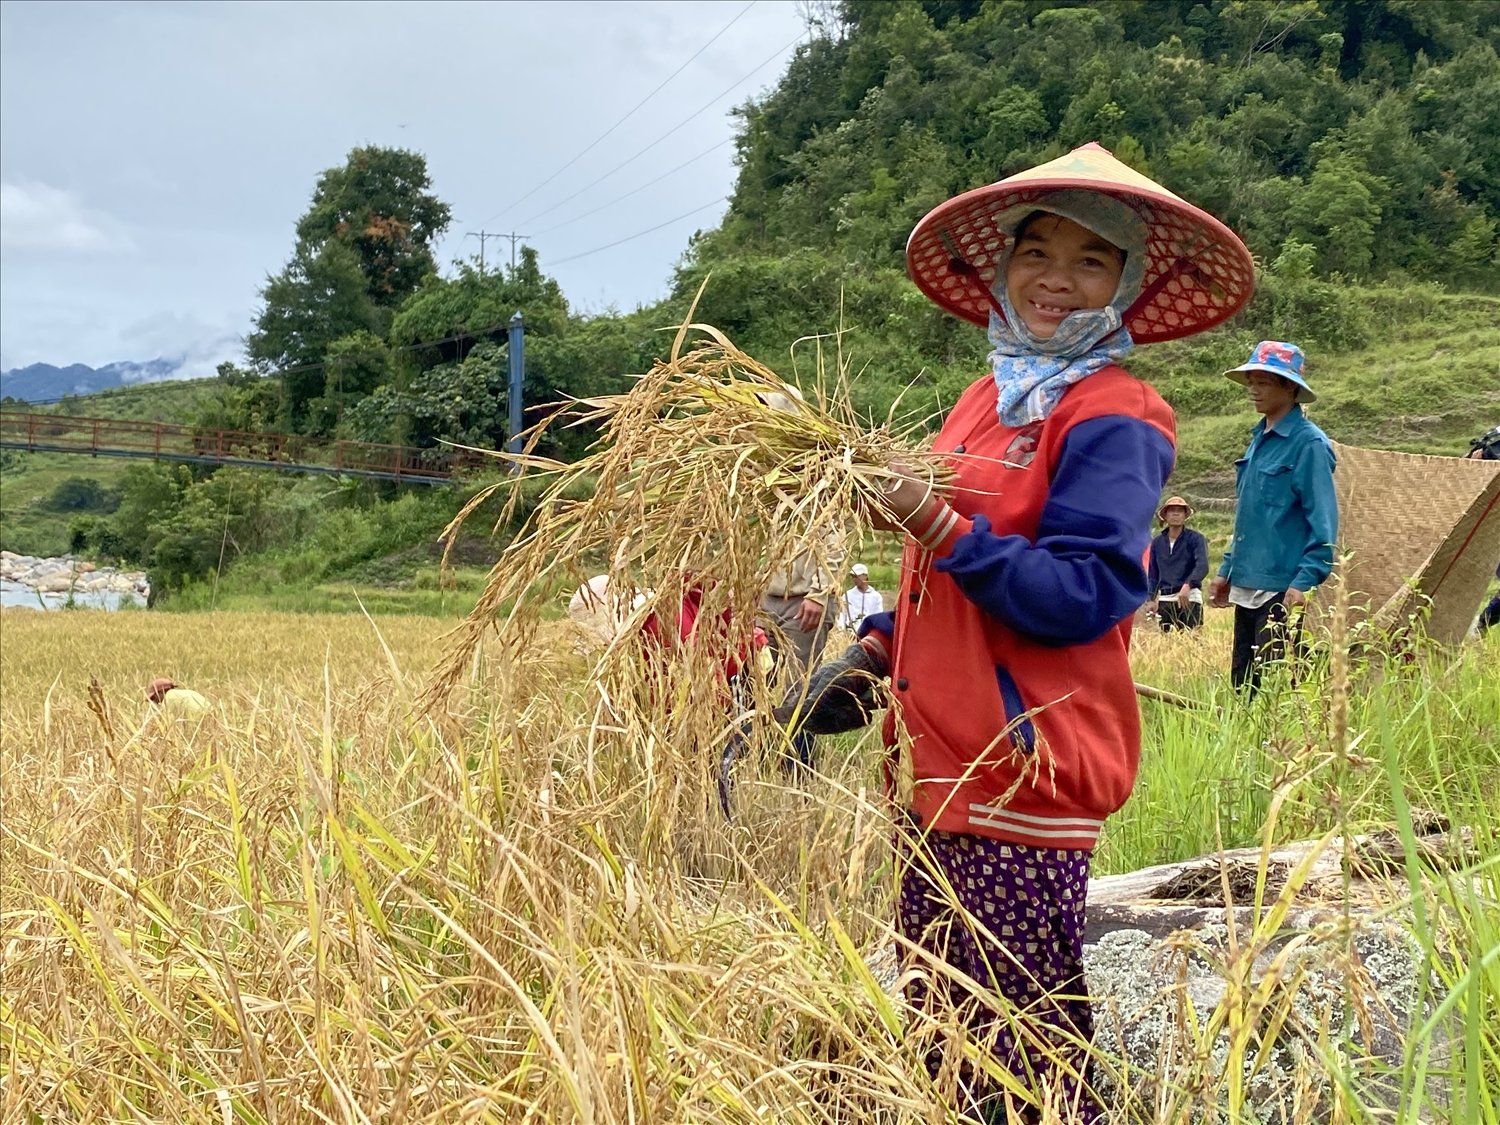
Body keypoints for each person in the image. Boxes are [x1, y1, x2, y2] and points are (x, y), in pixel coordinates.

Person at [772, 142, 1255, 1120]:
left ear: (1127, 285)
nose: (1056, 279)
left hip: (1021, 770)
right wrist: (871, 659)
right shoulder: (983, 400)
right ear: (1003, 266)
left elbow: (1083, 594)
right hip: (932, 760)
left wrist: (930, 516)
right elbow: (938, 579)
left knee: (1020, 1052)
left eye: (1091, 260)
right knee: (948, 1030)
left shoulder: (1118, 414)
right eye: (1038, 251)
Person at [1207, 342, 1338, 697]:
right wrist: (1226, 570)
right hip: (1247, 582)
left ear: (1290, 387)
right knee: (1243, 687)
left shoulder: (1308, 445)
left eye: (1264, 382)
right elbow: (1249, 518)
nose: (1253, 389)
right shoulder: (1258, 440)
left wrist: (1305, 580)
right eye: (1251, 380)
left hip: (1281, 588)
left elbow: (1323, 522)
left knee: (1275, 691)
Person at [1146, 496, 1209, 630]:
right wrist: (1151, 598)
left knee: (1192, 638)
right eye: (1172, 510)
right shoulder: (1157, 543)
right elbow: (1153, 573)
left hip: (1189, 596)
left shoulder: (1196, 539)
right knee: (1166, 642)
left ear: (1185, 515)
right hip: (1166, 597)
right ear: (1165, 515)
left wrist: (1188, 585)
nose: (1175, 514)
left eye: (1179, 511)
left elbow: (1202, 566)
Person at [837, 563, 884, 631]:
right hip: (850, 633)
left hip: (868, 634)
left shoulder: (876, 597)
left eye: (857, 576)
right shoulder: (847, 595)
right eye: (853, 577)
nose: (855, 579)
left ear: (865, 576)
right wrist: (841, 631)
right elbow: (842, 615)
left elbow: (878, 617)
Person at [146, 677, 210, 716]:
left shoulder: (169, 696)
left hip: (199, 719)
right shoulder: (189, 692)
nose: (154, 700)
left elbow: (165, 721)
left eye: (154, 697)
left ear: (162, 692)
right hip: (211, 717)